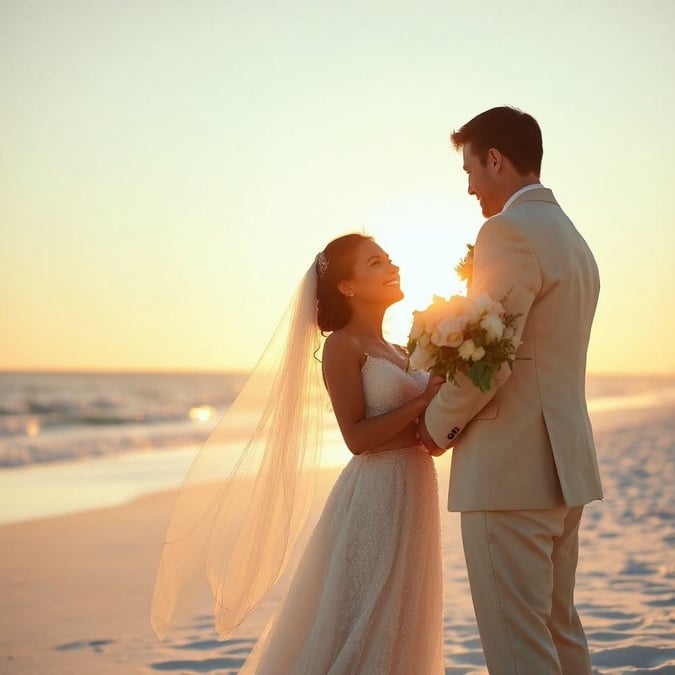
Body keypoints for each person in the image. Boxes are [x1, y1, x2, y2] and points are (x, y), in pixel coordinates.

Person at [152, 233, 446, 674]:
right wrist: (423, 403)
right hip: (376, 493)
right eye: (376, 263)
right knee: (365, 614)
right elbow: (357, 438)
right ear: (347, 286)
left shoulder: (403, 350)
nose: (392, 267)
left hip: (417, 490)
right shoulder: (342, 346)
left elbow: (422, 432)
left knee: (405, 614)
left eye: (389, 259)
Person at [420, 106, 603, 674]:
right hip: (563, 467)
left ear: (495, 159)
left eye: (471, 170)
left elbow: (490, 361)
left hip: (509, 475)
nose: (471, 187)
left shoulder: (505, 232)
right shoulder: (572, 237)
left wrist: (433, 427)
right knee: (559, 634)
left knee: (518, 648)